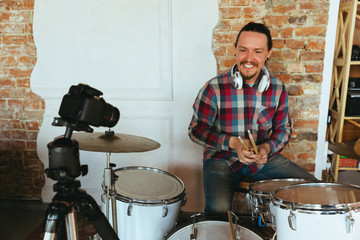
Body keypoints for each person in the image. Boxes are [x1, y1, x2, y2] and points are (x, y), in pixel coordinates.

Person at [188, 22, 317, 218]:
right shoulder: (213, 88)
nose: (249, 58)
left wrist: (267, 148)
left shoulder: (278, 89)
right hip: (222, 159)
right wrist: (232, 142)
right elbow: (196, 130)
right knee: (218, 212)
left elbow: (283, 129)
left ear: (268, 53)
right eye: (243, 50)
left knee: (312, 189)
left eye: (257, 51)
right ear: (235, 50)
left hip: (262, 159)